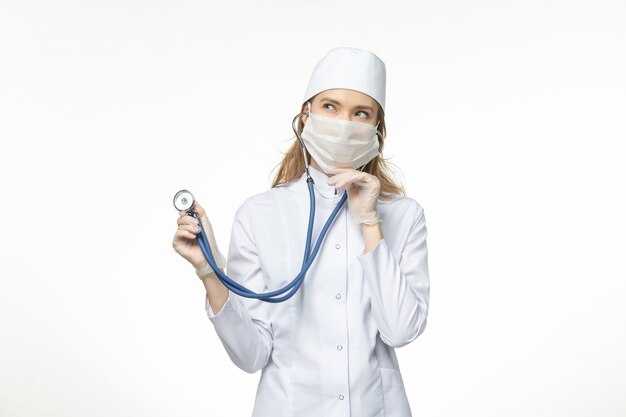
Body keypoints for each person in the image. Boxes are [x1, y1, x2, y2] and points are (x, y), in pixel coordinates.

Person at [172, 47, 430, 417]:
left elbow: (401, 330)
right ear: (305, 114)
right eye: (330, 106)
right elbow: (251, 354)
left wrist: (370, 222)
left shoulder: (404, 215)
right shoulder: (260, 214)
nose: (344, 122)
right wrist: (208, 270)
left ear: (376, 128)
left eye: (361, 113)